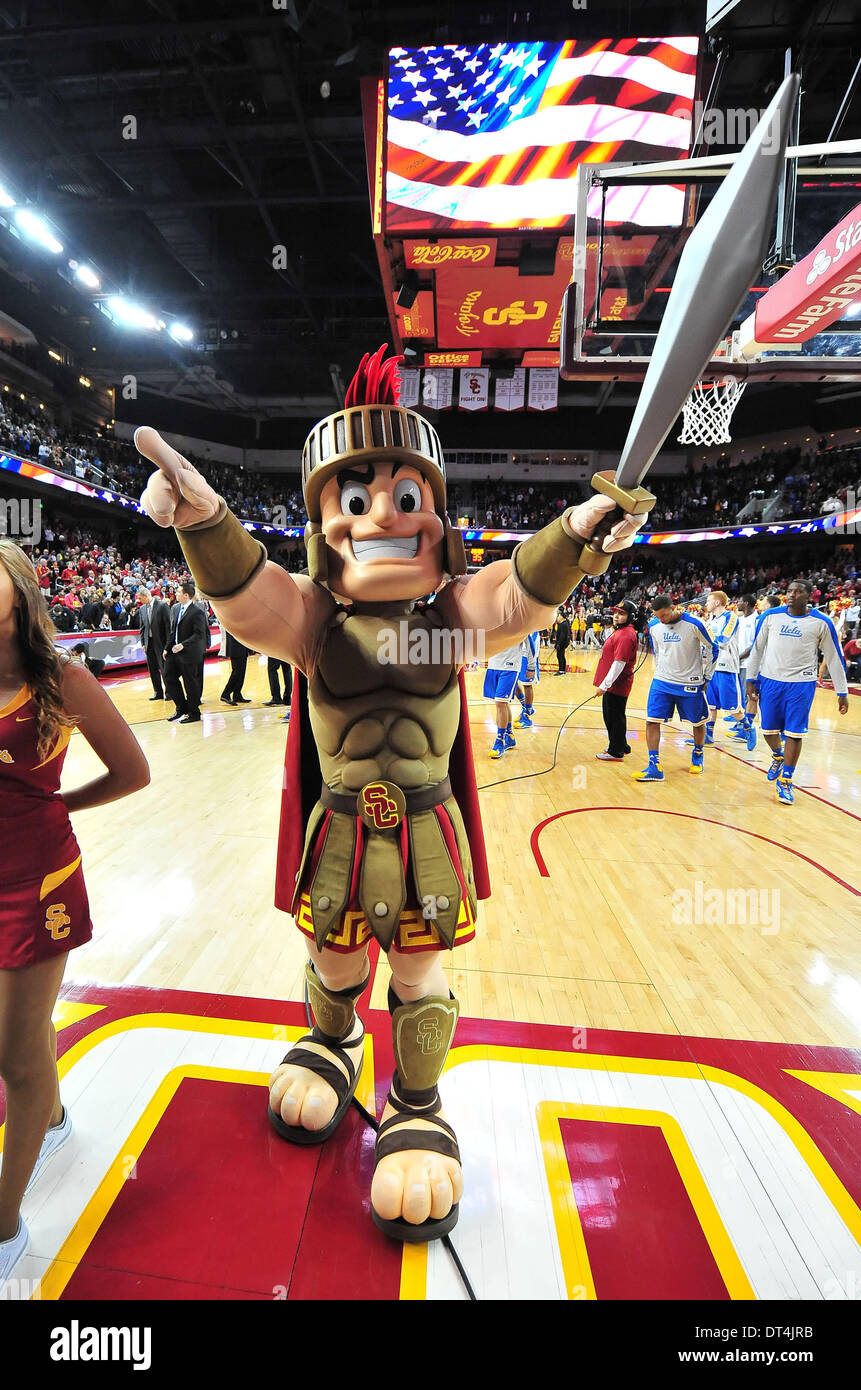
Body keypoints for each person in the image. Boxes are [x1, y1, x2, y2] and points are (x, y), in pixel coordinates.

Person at [134, 345, 644, 1243]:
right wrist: (203, 518)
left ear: (436, 516)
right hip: (337, 826)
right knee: (334, 964)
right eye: (353, 496)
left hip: (422, 828)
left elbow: (520, 592)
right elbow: (245, 598)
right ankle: (332, 1044)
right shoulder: (313, 616)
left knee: (417, 972)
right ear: (321, 519)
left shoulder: (451, 615)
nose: (379, 515)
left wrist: (579, 531)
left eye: (403, 497)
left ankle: (417, 1102)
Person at [0, 540, 149, 1286]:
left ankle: (5, 1231)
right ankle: (54, 1123)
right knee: (18, 1045)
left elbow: (132, 772)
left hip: (37, 883)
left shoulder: (60, 680)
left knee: (18, 1060)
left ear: (19, 596)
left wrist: (58, 804)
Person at [745, 579, 848, 804]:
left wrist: (842, 692)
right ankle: (778, 755)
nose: (792, 595)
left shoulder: (821, 622)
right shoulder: (770, 616)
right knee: (768, 731)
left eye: (798, 592)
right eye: (790, 591)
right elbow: (757, 649)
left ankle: (786, 781)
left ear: (809, 596)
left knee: (794, 733)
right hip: (770, 680)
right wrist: (750, 679)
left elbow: (834, 657)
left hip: (801, 684)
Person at [634, 594, 718, 782]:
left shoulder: (695, 624)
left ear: (674, 608)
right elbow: (656, 650)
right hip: (662, 682)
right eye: (657, 616)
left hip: (690, 683)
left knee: (698, 723)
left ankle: (698, 753)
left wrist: (707, 676)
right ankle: (654, 765)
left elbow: (714, 648)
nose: (661, 620)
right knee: (651, 721)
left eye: (664, 615)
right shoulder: (654, 625)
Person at [593, 600, 638, 761]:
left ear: (630, 616)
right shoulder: (621, 631)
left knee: (614, 716)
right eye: (615, 613)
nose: (616, 616)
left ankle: (616, 751)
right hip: (613, 684)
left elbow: (619, 663)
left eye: (621, 613)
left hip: (617, 684)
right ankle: (621, 745)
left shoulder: (626, 635)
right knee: (614, 715)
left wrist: (605, 685)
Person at [164, 580, 209, 724]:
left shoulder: (197, 611)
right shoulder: (176, 608)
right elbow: (173, 631)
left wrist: (183, 645)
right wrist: (167, 647)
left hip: (189, 653)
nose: (175, 594)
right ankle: (181, 707)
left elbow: (199, 634)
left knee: (190, 684)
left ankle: (194, 713)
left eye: (178, 592)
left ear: (186, 595)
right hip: (174, 651)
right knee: (168, 677)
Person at [702, 591, 741, 745]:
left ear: (717, 602)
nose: (706, 603)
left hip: (727, 665)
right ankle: (708, 736)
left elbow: (724, 640)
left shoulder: (730, 617)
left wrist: (706, 640)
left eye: (709, 600)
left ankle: (747, 729)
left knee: (732, 707)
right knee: (711, 704)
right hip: (713, 666)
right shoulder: (712, 620)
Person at [730, 594, 759, 751]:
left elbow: (754, 644)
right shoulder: (740, 619)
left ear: (746, 603)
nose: (737, 603)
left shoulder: (756, 619)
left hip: (748, 662)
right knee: (740, 694)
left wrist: (739, 656)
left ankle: (745, 729)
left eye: (740, 601)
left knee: (748, 695)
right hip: (737, 661)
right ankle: (741, 724)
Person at [483, 639, 521, 757]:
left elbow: (529, 641)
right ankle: (509, 736)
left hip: (510, 665)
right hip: (494, 664)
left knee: (500, 703)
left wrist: (530, 666)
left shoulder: (520, 622)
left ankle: (500, 741)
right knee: (502, 703)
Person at [137, 588, 170, 701]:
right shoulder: (142, 609)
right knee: (152, 669)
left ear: (146, 596)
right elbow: (142, 628)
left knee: (164, 667)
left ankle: (169, 692)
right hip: (149, 643)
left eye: (140, 598)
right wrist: (143, 643)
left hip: (161, 642)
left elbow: (168, 626)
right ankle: (158, 692)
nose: (139, 601)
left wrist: (168, 645)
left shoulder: (162, 605)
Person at [514, 630, 540, 730]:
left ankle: (527, 716)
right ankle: (527, 707)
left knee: (527, 684)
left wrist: (532, 665)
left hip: (528, 646)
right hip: (518, 647)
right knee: (513, 681)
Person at [221, 630, 252, 705]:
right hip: (235, 646)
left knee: (242, 671)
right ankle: (226, 694)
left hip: (242, 646)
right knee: (237, 671)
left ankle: (237, 694)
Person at [551, 606, 571, 674]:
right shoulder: (562, 623)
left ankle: (561, 670)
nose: (558, 617)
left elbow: (562, 636)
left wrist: (558, 644)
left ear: (562, 616)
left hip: (562, 643)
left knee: (560, 656)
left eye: (559, 615)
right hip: (562, 642)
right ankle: (562, 670)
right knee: (561, 655)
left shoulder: (564, 624)